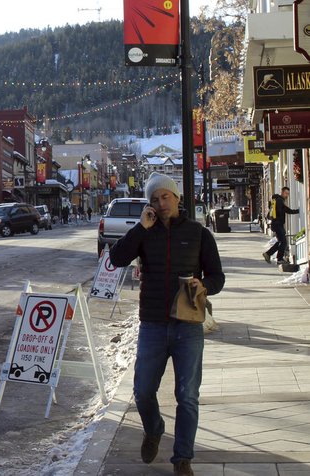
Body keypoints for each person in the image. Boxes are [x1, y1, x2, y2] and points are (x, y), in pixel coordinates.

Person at [109, 173, 224, 476]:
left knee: (187, 395)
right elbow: (117, 257)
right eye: (155, 199)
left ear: (177, 198)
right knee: (143, 391)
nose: (161, 203)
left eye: (166, 197)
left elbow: (218, 277)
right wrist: (140, 228)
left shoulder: (199, 233)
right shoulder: (145, 231)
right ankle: (154, 428)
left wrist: (204, 285)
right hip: (153, 325)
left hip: (188, 326)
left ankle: (182, 458)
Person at [263, 187, 299, 265]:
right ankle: (279, 259)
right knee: (283, 242)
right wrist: (297, 211)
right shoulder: (279, 200)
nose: (287, 195)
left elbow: (285, 210)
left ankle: (268, 254)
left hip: (276, 224)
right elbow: (283, 211)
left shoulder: (278, 200)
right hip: (277, 224)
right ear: (282, 192)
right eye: (286, 193)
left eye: (288, 194)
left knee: (281, 242)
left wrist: (296, 211)